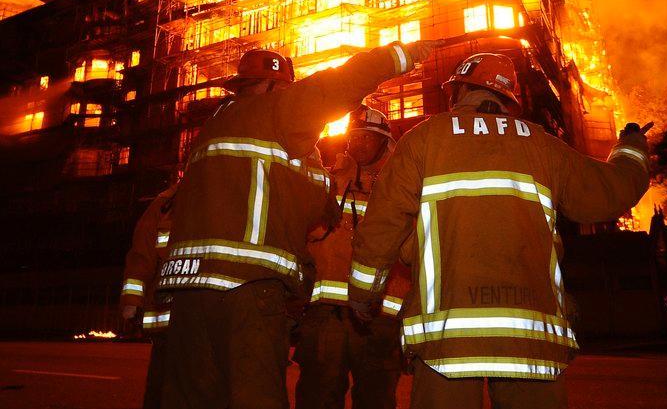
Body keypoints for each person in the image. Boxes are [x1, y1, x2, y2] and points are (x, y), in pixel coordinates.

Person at [347, 52, 650, 409]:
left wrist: (363, 296)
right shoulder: (541, 145)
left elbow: (382, 226)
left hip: (447, 339)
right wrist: (631, 146)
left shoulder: (424, 139)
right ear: (510, 99)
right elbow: (610, 192)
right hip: (531, 338)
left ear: (458, 90)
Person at [159, 40, 436, 409]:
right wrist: (404, 54)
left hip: (189, 291)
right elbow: (337, 84)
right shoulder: (276, 110)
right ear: (275, 87)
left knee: (195, 397)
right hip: (246, 287)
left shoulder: (217, 124)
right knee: (254, 396)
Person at [295, 106, 412, 409]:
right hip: (326, 314)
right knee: (317, 395)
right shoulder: (331, 179)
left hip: (380, 317)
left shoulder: (403, 185)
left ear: (384, 140)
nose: (355, 144)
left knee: (375, 397)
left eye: (364, 137)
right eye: (352, 137)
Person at [120, 181, 180, 409]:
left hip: (200, 318)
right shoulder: (166, 202)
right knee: (161, 387)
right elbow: (141, 254)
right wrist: (132, 300)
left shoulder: (221, 194)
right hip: (167, 319)